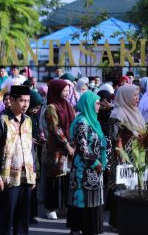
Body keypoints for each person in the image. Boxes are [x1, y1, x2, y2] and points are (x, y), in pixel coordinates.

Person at [0, 85, 36, 235]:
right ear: (11, 100)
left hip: (26, 177)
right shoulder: (1, 121)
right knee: (4, 218)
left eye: (27, 101)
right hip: (7, 178)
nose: (25, 104)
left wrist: (33, 173)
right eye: (22, 100)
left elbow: (31, 149)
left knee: (22, 220)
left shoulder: (28, 120)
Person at [66, 91, 109, 235]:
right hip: (84, 169)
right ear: (88, 104)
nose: (99, 106)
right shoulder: (82, 122)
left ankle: (88, 229)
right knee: (83, 200)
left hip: (93, 168)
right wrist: (96, 163)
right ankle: (81, 228)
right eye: (96, 103)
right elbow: (83, 147)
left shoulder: (92, 120)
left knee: (92, 200)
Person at [107, 84, 146, 228]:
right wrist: (121, 158)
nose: (137, 99)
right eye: (134, 96)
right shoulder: (118, 114)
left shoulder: (136, 112)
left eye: (137, 95)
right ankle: (118, 222)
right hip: (123, 158)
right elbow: (115, 138)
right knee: (122, 190)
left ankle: (133, 220)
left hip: (138, 157)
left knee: (136, 188)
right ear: (126, 97)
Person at [44, 79, 76, 220]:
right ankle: (51, 208)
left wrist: (73, 143)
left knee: (66, 177)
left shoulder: (68, 105)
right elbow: (55, 128)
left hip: (69, 148)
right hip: (56, 149)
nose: (67, 93)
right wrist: (67, 144)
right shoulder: (51, 107)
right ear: (57, 91)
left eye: (68, 90)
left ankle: (63, 206)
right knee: (55, 178)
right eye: (64, 90)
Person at [28, 91, 43, 224]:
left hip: (35, 154)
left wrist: (39, 138)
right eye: (35, 107)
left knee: (34, 185)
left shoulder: (34, 116)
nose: (36, 110)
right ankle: (26, 214)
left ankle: (32, 213)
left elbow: (36, 132)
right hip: (26, 155)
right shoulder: (24, 117)